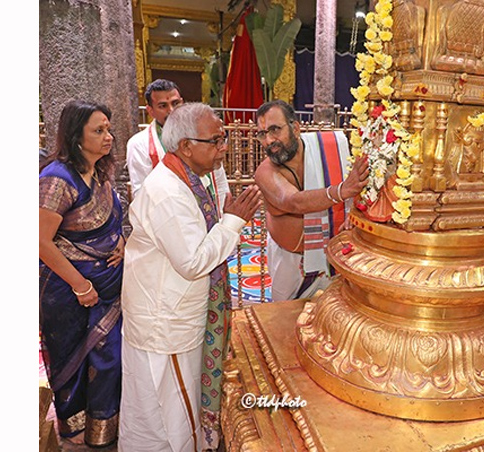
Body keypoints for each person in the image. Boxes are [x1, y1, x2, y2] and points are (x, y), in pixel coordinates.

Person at [118, 103, 262, 451]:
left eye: (223, 138)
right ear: (185, 146)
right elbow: (194, 261)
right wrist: (233, 221)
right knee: (169, 418)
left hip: (167, 313)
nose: (224, 147)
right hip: (165, 324)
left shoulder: (189, 178)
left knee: (161, 411)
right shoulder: (169, 191)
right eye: (215, 140)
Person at [39, 100, 125, 447]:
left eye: (108, 129)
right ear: (76, 137)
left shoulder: (100, 172)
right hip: (70, 290)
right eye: (99, 130)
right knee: (74, 362)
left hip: (107, 285)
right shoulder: (57, 179)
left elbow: (110, 222)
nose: (108, 137)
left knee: (109, 359)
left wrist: (121, 242)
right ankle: (75, 431)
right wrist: (80, 285)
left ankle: (103, 429)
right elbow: (40, 240)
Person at [253, 100, 369, 302]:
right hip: (289, 264)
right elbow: (293, 202)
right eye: (262, 134)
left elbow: (360, 180)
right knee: (287, 322)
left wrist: (355, 211)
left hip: (334, 255)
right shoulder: (265, 172)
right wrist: (341, 191)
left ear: (295, 128)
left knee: (335, 315)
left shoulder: (330, 147)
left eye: (275, 130)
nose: (269, 140)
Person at [126, 79, 230, 211]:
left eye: (175, 103)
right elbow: (141, 195)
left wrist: (222, 216)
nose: (171, 110)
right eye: (163, 106)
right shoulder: (140, 144)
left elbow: (219, 181)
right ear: (150, 111)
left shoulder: (202, 133)